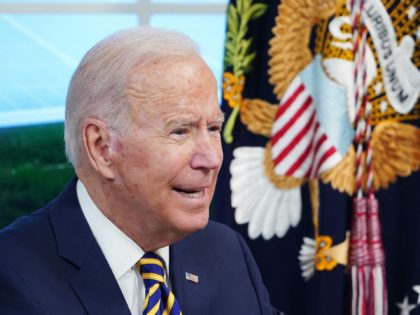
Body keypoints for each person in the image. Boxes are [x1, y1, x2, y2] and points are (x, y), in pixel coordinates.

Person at [0, 27, 274, 314]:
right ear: (101, 147)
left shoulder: (226, 252)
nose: (211, 159)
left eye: (214, 128)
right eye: (180, 131)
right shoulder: (11, 275)